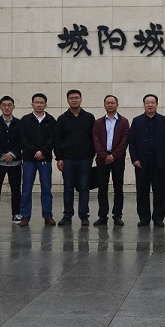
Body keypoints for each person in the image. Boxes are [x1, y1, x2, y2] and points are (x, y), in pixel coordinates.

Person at [128, 94, 165, 228]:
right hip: (141, 161)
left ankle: (158, 218)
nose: (150, 105)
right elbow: (132, 141)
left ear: (157, 104)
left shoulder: (164, 120)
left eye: (153, 102)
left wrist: (161, 154)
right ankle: (144, 218)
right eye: (147, 102)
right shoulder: (137, 121)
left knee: (159, 191)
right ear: (144, 105)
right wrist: (134, 159)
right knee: (142, 191)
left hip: (158, 161)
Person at [54, 89, 96, 227]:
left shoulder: (89, 117)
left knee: (84, 188)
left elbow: (94, 137)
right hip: (68, 159)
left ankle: (84, 216)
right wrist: (59, 158)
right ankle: (67, 215)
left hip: (85, 159)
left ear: (81, 99)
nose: (74, 100)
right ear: (67, 101)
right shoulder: (62, 119)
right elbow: (57, 140)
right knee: (68, 188)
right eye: (71, 98)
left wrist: (92, 154)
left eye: (76, 97)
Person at [18, 93, 57, 227]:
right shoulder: (25, 120)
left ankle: (47, 215)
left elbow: (52, 139)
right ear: (32, 104)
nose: (39, 105)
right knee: (26, 188)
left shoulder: (51, 120)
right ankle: (25, 216)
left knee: (46, 188)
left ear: (45, 105)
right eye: (36, 102)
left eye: (41, 102)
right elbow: (23, 138)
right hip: (29, 159)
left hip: (45, 160)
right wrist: (34, 151)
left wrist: (43, 152)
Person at [92, 95, 129, 227]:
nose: (110, 105)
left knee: (118, 188)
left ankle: (117, 215)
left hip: (118, 159)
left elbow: (125, 140)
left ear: (117, 105)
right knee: (102, 188)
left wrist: (114, 155)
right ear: (104, 105)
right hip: (102, 160)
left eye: (112, 103)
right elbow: (96, 140)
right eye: (107, 103)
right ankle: (102, 215)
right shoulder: (98, 122)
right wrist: (104, 156)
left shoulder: (124, 122)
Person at [0, 96, 22, 226]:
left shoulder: (20, 123)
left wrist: (12, 154)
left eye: (9, 105)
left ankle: (16, 213)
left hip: (15, 162)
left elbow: (21, 141)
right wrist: (3, 155)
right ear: (0, 107)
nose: (7, 107)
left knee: (16, 190)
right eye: (4, 105)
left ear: (13, 106)